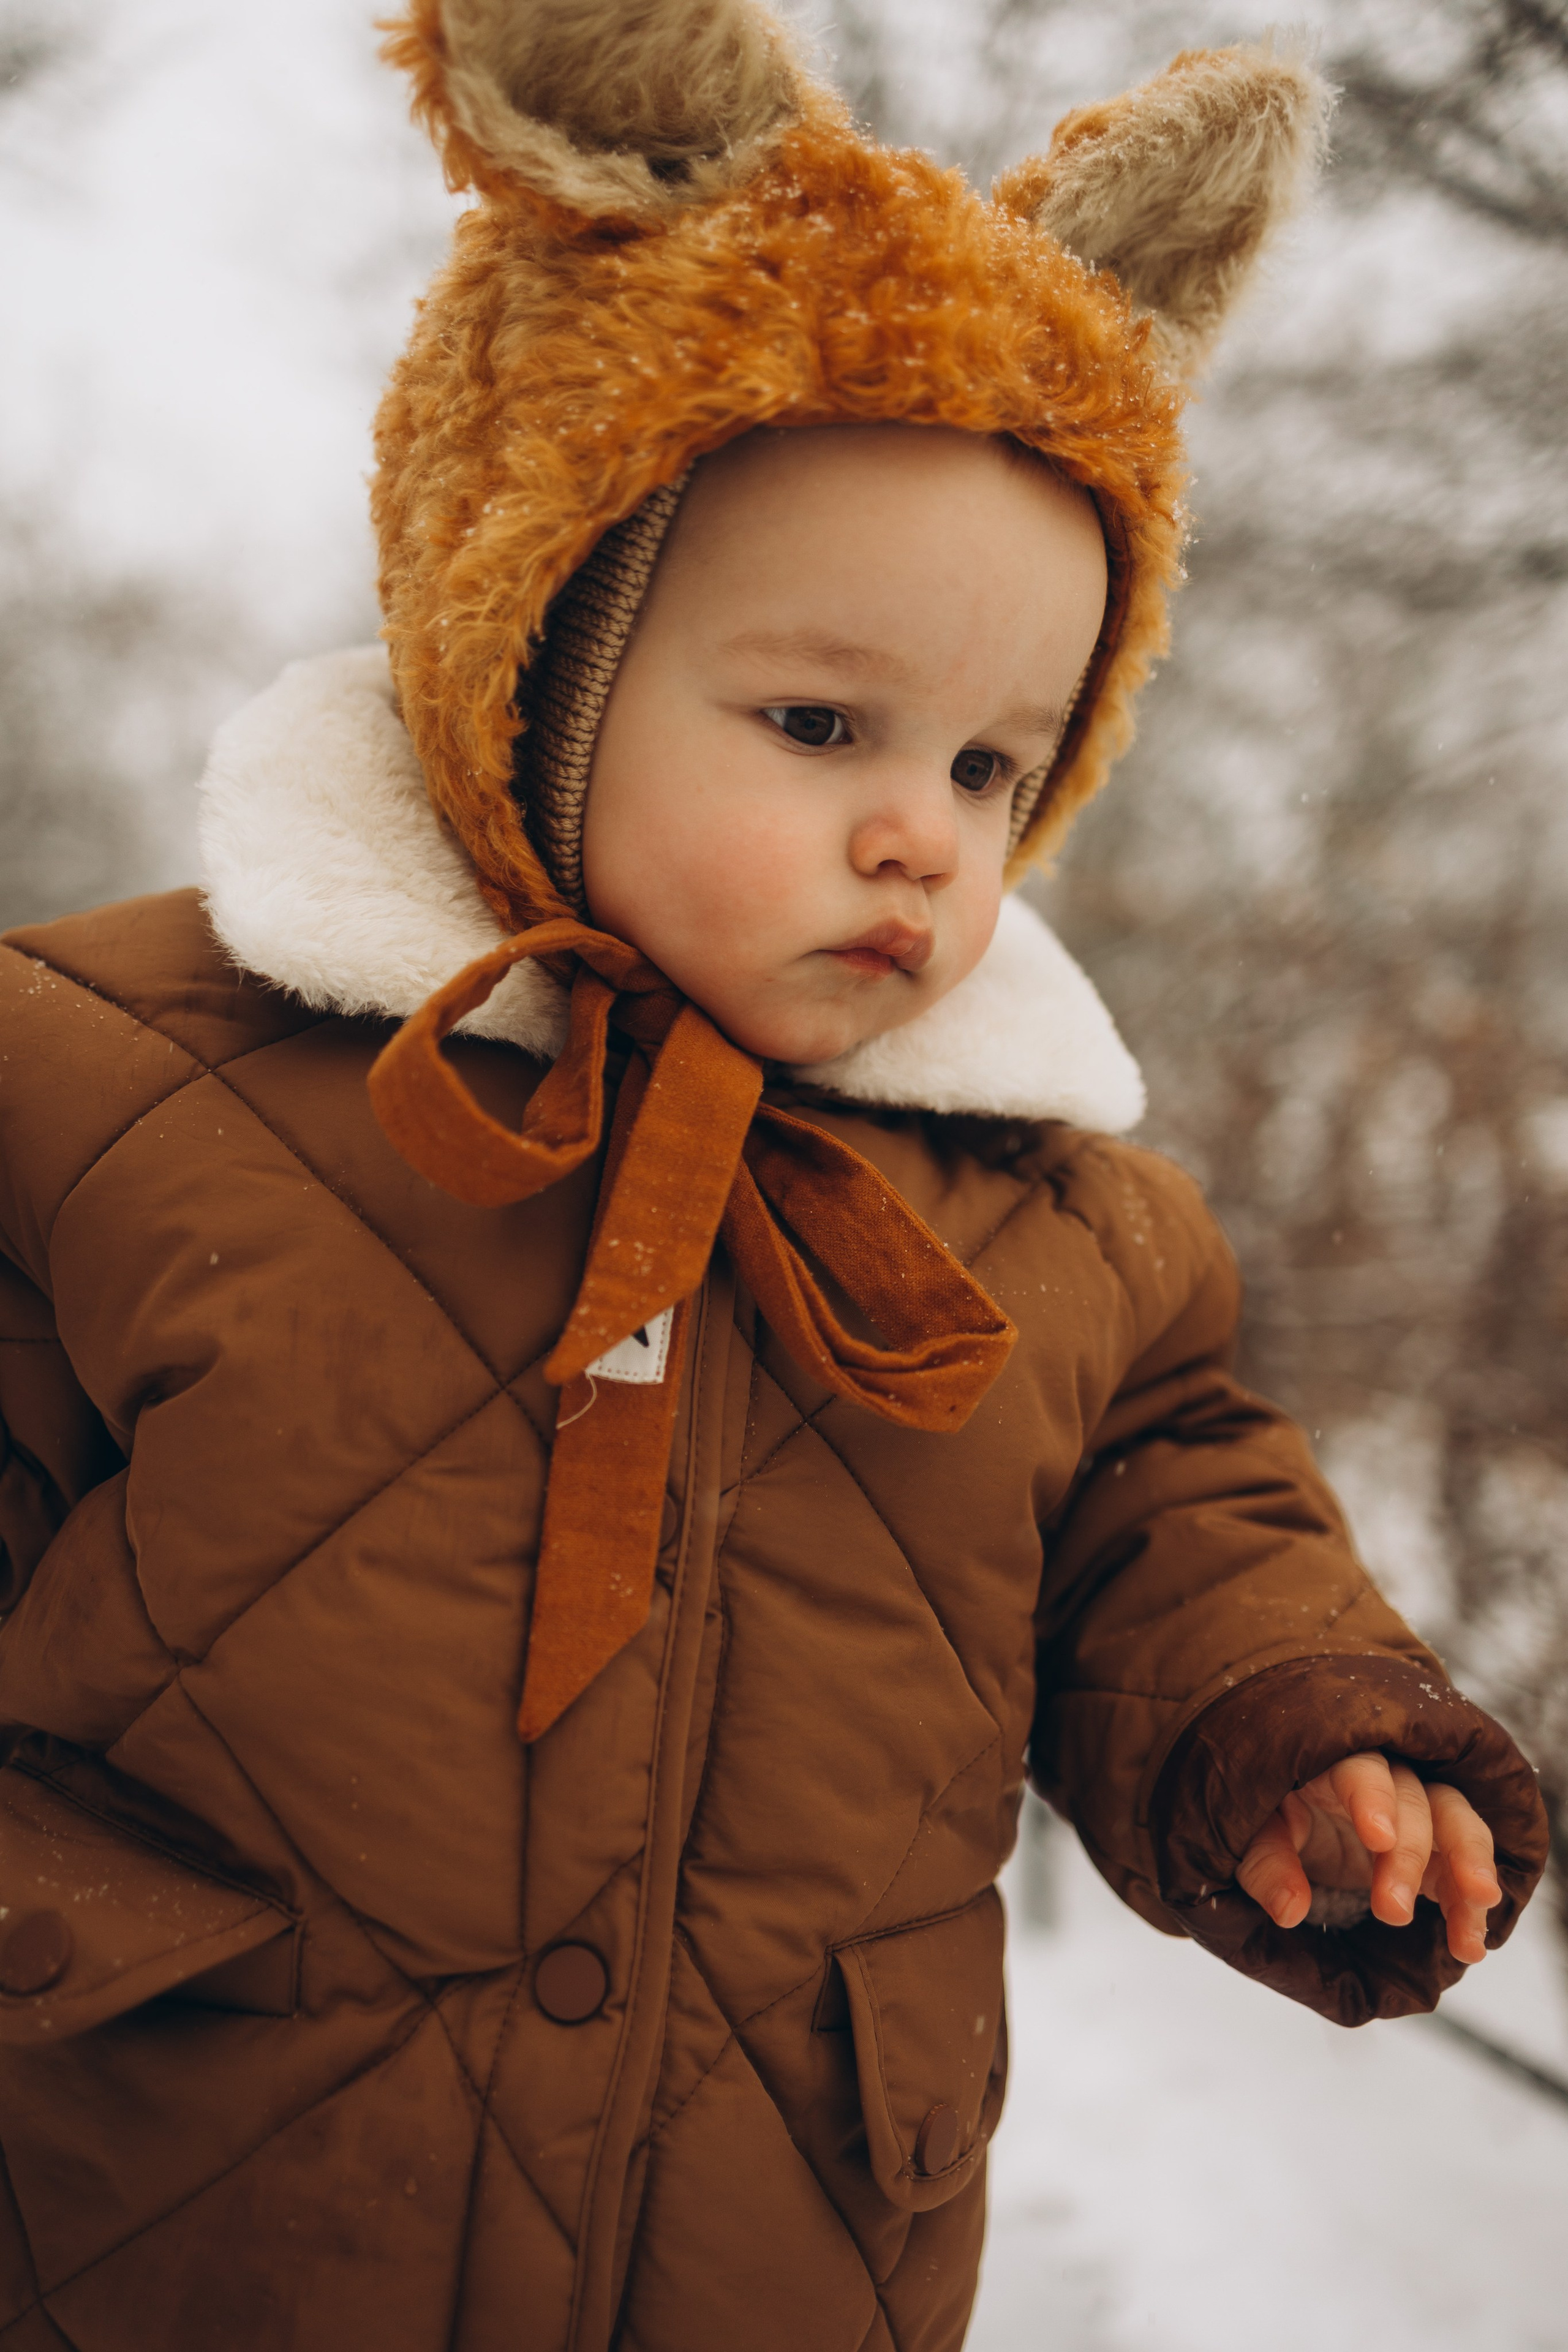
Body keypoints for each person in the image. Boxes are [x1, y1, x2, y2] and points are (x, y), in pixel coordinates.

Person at [0, 6, 1546, 2348]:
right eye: (820, 723)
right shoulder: (117, 1087)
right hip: (190, 2202)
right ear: (532, 656)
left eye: (997, 764)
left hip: (781, 2232)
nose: (923, 830)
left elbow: (1169, 1518)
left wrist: (1290, 1716)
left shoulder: (1057, 1223)